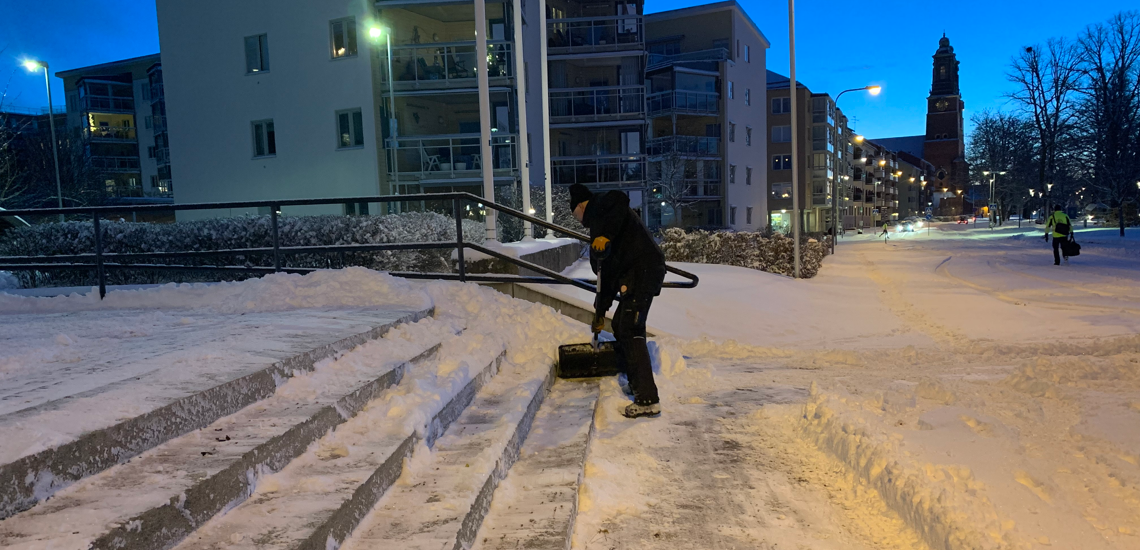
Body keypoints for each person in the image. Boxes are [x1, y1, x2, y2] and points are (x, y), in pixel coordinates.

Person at [569, 183, 665, 419]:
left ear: (581, 206)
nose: (577, 220)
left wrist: (605, 235)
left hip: (642, 269)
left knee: (631, 328)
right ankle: (636, 382)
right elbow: (606, 276)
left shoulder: (603, 206)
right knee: (621, 324)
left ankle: (648, 399)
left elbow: (620, 199)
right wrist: (600, 311)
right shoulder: (598, 225)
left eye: (575, 214)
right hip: (634, 274)